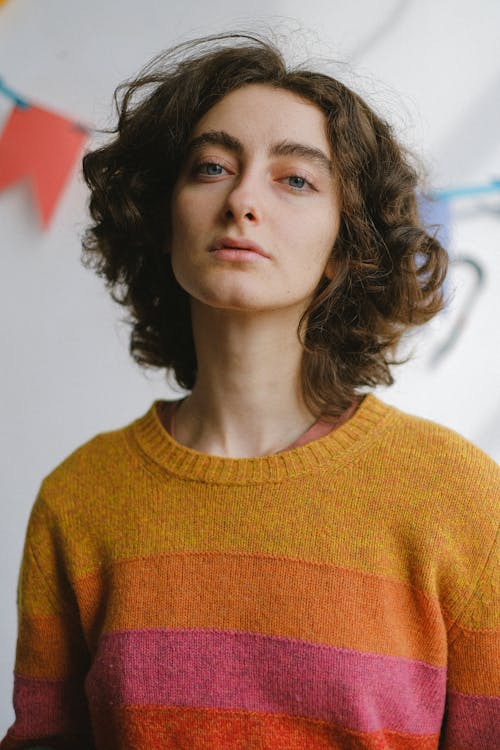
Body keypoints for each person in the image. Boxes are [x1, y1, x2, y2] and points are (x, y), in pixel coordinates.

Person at [2, 32, 499, 750]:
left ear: (343, 249)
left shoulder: (460, 498)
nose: (241, 200)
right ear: (162, 216)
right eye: (211, 167)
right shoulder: (79, 499)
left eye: (295, 179)